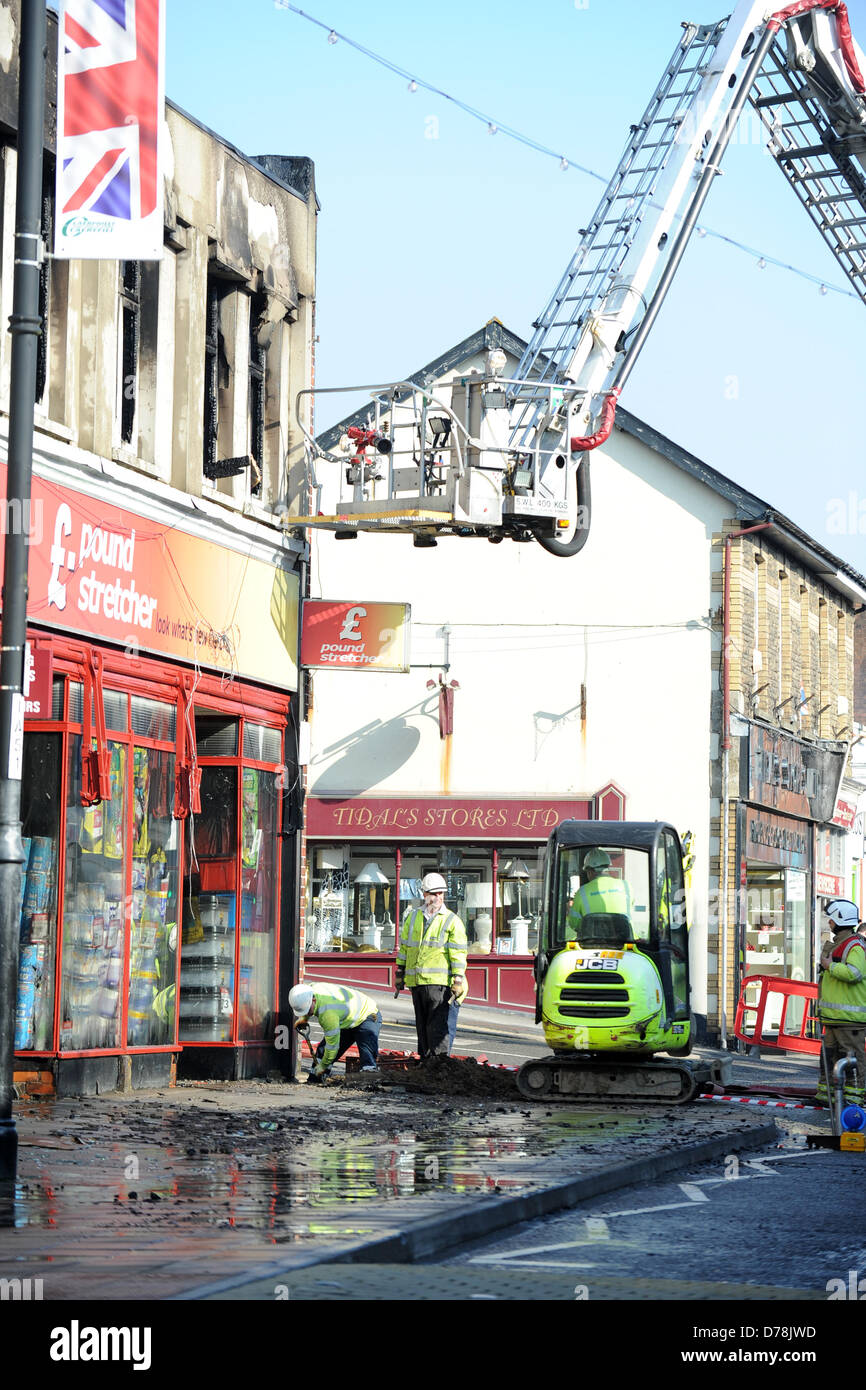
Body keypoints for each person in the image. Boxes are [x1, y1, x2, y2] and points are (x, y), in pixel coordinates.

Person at [395, 872, 467, 1060]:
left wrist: (458, 980)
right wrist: (400, 972)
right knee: (423, 1029)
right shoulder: (413, 917)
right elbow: (405, 947)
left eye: (441, 893)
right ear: (424, 894)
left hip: (440, 985)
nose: (438, 897)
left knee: (438, 1030)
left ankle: (439, 1067)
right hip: (417, 983)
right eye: (434, 893)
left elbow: (458, 954)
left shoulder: (452, 920)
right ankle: (426, 1065)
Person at [816, 898, 866, 1106]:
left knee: (851, 1059)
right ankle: (825, 1096)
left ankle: (854, 1099)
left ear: (840, 919)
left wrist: (830, 966)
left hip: (850, 1019)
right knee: (828, 1058)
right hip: (834, 1017)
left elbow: (855, 973)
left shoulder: (855, 946)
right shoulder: (839, 944)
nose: (829, 923)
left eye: (831, 919)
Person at [289, 981, 381, 1083]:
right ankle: (315, 1080)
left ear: (313, 1000)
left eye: (307, 1011)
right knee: (323, 1051)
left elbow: (332, 1047)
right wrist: (304, 1019)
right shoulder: (310, 989)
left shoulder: (328, 1015)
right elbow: (308, 1004)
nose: (307, 1013)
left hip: (368, 1014)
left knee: (367, 1055)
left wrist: (323, 1066)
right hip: (347, 1016)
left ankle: (369, 1081)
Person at [567, 848, 632, 930]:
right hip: (625, 937)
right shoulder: (626, 886)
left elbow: (574, 924)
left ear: (590, 871)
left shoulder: (582, 892)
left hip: (592, 938)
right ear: (608, 867)